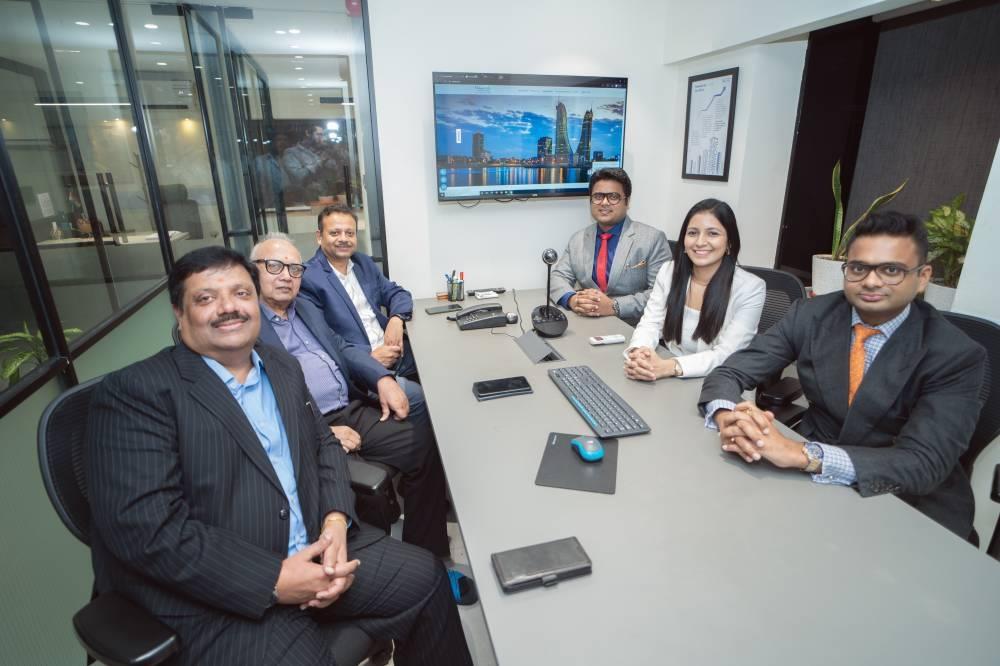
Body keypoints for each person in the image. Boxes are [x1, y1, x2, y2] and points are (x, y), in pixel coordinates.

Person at [85, 246, 472, 665]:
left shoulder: (280, 365)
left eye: (241, 293)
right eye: (206, 298)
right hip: (225, 591)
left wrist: (335, 521)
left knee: (426, 578)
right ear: (179, 313)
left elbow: (324, 446)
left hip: (318, 547)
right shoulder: (135, 394)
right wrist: (275, 578)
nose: (228, 307)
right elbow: (147, 531)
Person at [699, 211, 985, 538]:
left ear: (922, 277)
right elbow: (731, 371)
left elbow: (923, 462)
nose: (871, 281)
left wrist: (803, 455)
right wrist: (728, 416)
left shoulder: (955, 355)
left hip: (905, 500)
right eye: (859, 268)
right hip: (808, 487)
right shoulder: (811, 314)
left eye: (891, 270)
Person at [251, 233, 449, 556]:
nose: (287, 276)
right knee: (364, 492)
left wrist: (383, 379)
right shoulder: (248, 328)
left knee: (424, 444)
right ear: (253, 270)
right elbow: (254, 405)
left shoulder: (305, 309)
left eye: (295, 269)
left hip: (349, 408)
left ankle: (428, 552)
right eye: (275, 266)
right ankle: (379, 562)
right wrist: (321, 432)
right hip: (310, 427)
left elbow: (341, 347)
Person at [624, 199, 765, 380]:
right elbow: (650, 323)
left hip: (720, 380)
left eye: (712, 233)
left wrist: (671, 366)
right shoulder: (669, 271)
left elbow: (727, 354)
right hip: (665, 370)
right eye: (692, 233)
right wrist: (640, 352)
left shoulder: (751, 288)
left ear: (729, 243)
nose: (700, 242)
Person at [300, 204, 418, 379]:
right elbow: (324, 336)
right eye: (335, 233)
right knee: (421, 392)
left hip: (395, 351)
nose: (343, 239)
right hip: (361, 367)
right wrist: (368, 358)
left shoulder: (363, 263)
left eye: (350, 233)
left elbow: (397, 293)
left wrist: (396, 319)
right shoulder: (308, 277)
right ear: (319, 237)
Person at [548, 168, 670, 324]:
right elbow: (558, 277)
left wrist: (614, 306)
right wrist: (572, 300)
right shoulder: (578, 239)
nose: (604, 203)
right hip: (587, 323)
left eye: (613, 197)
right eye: (598, 196)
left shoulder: (652, 239)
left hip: (634, 326)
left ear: (627, 201)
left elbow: (661, 294)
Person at [282, 124, 345, 202]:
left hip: (328, 198)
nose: (322, 138)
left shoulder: (324, 151)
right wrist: (319, 163)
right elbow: (297, 177)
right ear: (308, 133)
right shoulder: (292, 153)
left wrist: (337, 157)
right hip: (306, 201)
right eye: (319, 134)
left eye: (323, 135)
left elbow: (336, 175)